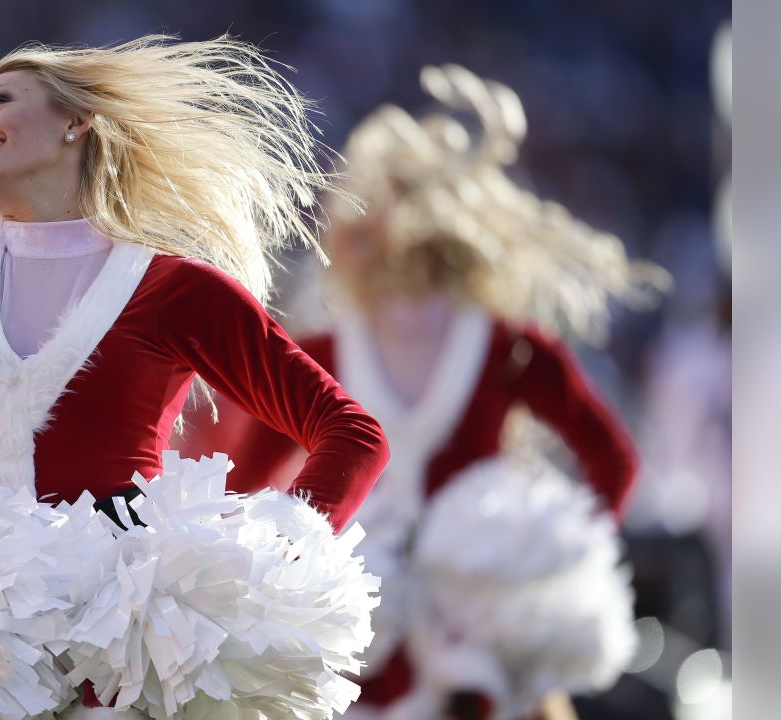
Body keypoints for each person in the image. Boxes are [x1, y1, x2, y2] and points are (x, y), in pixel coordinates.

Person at [0, 35, 389, 719]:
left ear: (77, 123)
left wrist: (263, 565)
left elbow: (351, 433)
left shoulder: (175, 288)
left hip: (129, 653)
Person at [180, 65, 666, 720]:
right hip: (365, 637)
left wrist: (550, 567)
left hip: (482, 631)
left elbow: (613, 461)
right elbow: (248, 485)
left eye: (389, 205)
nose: (367, 228)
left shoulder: (508, 348)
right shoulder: (322, 353)